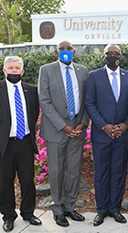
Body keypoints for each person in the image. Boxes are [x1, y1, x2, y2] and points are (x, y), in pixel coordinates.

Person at [0, 56, 41, 232]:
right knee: (5, 182)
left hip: (25, 142)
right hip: (3, 145)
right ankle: (8, 216)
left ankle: (28, 213)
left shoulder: (31, 90)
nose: (14, 71)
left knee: (28, 180)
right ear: (4, 71)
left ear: (22, 71)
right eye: (10, 68)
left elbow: (34, 114)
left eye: (17, 68)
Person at [38, 40, 89, 227]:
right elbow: (44, 101)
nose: (65, 51)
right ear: (56, 52)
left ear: (74, 51)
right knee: (57, 170)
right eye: (62, 49)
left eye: (69, 49)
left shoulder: (83, 71)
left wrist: (83, 123)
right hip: (56, 130)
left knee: (74, 170)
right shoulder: (46, 70)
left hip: (77, 128)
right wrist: (63, 126)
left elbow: (87, 99)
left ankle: (70, 206)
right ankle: (58, 209)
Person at [85, 43, 128, 226]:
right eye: (109, 53)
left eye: (116, 53)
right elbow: (90, 103)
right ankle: (101, 209)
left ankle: (115, 208)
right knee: (101, 173)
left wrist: (126, 125)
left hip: (122, 135)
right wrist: (103, 126)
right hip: (101, 135)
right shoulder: (94, 76)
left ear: (121, 57)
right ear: (103, 56)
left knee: (118, 172)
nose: (112, 56)